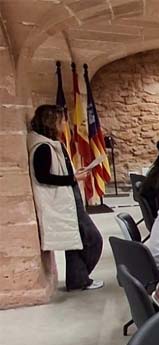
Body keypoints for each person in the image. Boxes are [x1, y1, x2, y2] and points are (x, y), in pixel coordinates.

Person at [27, 104, 104, 291]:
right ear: (52, 122)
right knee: (93, 238)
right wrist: (72, 178)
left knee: (76, 241)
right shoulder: (43, 147)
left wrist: (74, 174)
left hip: (70, 193)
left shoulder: (52, 144)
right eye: (62, 121)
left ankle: (78, 280)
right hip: (62, 199)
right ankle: (79, 277)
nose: (64, 125)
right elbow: (43, 176)